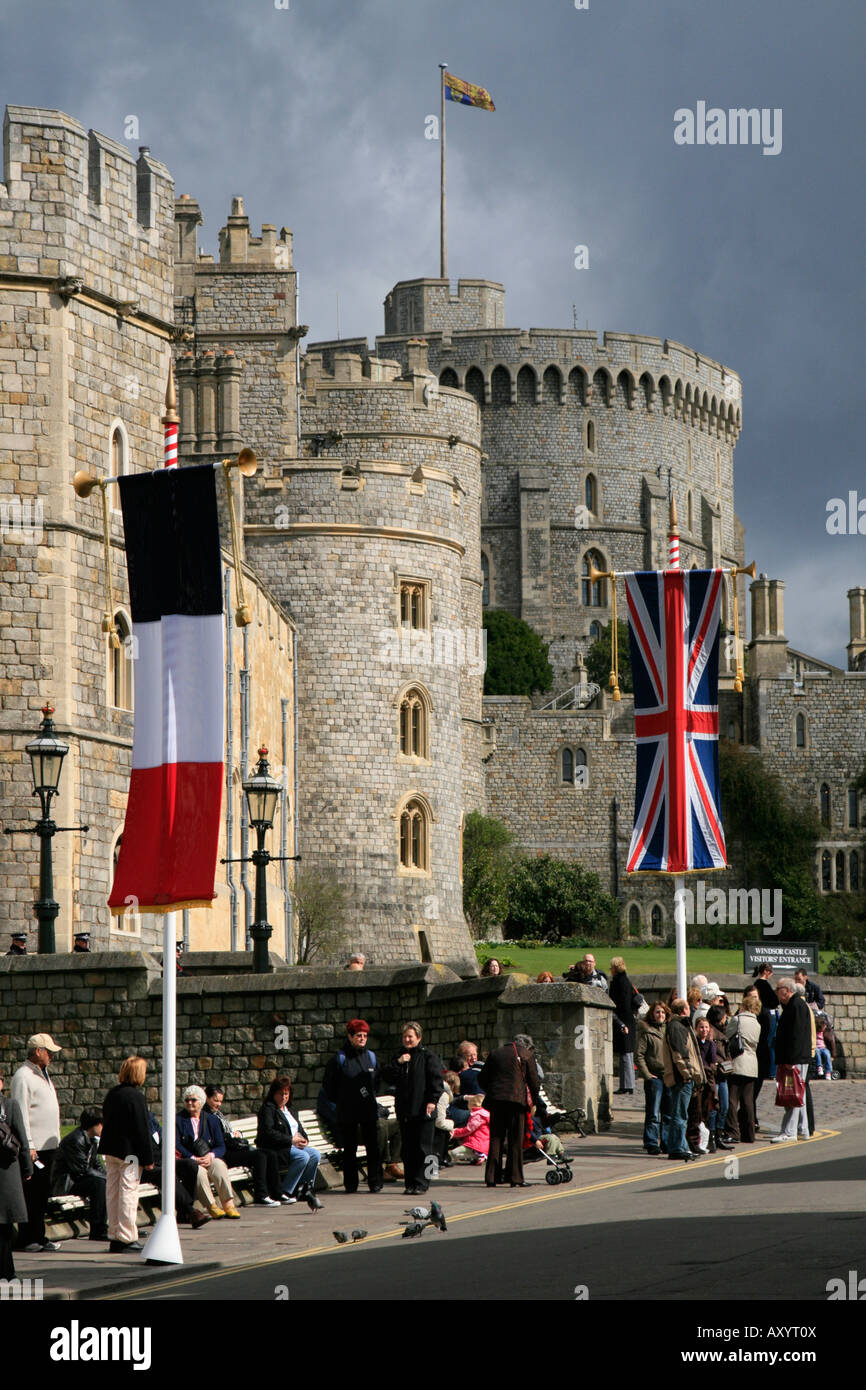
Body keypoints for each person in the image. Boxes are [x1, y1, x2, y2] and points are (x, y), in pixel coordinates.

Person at [10, 1032, 62, 1252]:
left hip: (49, 1147)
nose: (51, 1055)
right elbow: (20, 1113)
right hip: (35, 1148)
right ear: (38, 1051)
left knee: (42, 1195)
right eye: (48, 1051)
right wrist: (28, 1144)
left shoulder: (43, 1073)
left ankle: (39, 1236)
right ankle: (27, 1238)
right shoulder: (23, 1076)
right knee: (31, 1194)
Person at [321, 1019, 383, 1194]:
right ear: (350, 1036)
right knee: (349, 1149)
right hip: (347, 1111)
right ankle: (351, 1184)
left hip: (369, 1110)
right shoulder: (339, 1059)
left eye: (364, 1036)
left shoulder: (371, 1057)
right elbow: (329, 1086)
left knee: (373, 1146)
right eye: (358, 1036)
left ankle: (375, 1182)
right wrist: (342, 1100)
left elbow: (376, 1082)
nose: (362, 1039)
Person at [100, 1056, 155, 1252]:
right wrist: (148, 1158)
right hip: (130, 1153)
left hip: (111, 1149)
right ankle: (126, 1237)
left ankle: (114, 1235)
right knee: (128, 1193)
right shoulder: (136, 1097)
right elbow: (142, 1129)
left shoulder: (113, 1094)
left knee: (113, 1193)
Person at [382, 1023, 444, 1196]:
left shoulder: (428, 1057)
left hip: (424, 1109)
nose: (407, 1040)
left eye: (410, 1036)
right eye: (405, 1037)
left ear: (419, 1037)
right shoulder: (400, 1057)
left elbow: (436, 1081)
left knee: (424, 1148)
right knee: (408, 1149)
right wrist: (399, 1062)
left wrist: (432, 1100)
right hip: (406, 1110)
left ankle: (423, 1183)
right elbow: (387, 1076)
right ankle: (410, 1183)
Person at [478, 1033, 540, 1188]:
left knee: (496, 1138)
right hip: (516, 1102)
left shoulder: (495, 1053)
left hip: (496, 1101)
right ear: (526, 1045)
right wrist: (535, 1100)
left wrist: (493, 1090)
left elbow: (482, 1078)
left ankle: (492, 1177)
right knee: (515, 1139)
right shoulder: (526, 1054)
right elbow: (534, 1081)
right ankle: (515, 1178)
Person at [204, 1083, 282, 1206]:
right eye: (215, 1100)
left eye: (220, 1101)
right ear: (207, 1098)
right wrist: (230, 1136)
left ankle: (277, 1192)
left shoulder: (217, 1113)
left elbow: (226, 1131)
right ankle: (261, 1195)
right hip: (223, 1153)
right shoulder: (206, 1115)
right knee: (259, 1156)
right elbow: (214, 1137)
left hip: (232, 1148)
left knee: (270, 1154)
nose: (218, 1104)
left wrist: (236, 1134)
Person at [257, 1075, 323, 1209]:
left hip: (293, 1145)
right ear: (274, 1093)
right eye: (280, 1094)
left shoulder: (291, 1109)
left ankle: (304, 1188)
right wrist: (291, 1140)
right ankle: (286, 1190)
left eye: (286, 1094)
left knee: (315, 1154)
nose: (283, 1097)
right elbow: (268, 1132)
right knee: (302, 1156)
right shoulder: (268, 1109)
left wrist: (304, 1140)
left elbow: (300, 1129)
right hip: (278, 1147)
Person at [176, 1085, 239, 1219]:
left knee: (219, 1166)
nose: (190, 1103)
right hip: (190, 1160)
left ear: (201, 1101)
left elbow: (221, 1145)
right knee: (199, 1173)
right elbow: (177, 1145)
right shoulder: (178, 1120)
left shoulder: (212, 1120)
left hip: (208, 1156)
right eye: (187, 1100)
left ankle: (229, 1205)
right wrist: (192, 1157)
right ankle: (212, 1206)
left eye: (193, 1100)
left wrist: (211, 1156)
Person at [54, 1106, 107, 1241]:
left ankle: (107, 1226)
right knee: (99, 1184)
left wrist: (109, 1177)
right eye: (101, 1124)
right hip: (67, 1183)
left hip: (79, 1179)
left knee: (103, 1182)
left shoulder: (92, 1140)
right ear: (92, 1124)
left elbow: (96, 1165)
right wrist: (105, 1178)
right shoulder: (76, 1140)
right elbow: (82, 1170)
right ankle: (98, 1230)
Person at [771, 977, 814, 1143]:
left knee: (792, 1094)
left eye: (778, 988)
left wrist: (790, 1059)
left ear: (787, 990)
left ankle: (790, 1131)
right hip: (797, 1057)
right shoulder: (795, 1005)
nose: (776, 991)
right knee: (798, 1094)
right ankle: (803, 1129)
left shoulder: (796, 1006)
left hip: (794, 1059)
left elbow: (795, 1036)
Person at [0, 1068, 33, 1280]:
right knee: (4, 1228)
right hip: (6, 1171)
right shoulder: (10, 1106)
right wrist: (27, 1168)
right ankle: (7, 1273)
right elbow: (21, 1137)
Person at [662, 999, 703, 1162]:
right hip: (682, 1079)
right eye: (688, 1007)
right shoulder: (677, 1027)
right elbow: (680, 1055)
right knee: (680, 1115)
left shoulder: (678, 1025)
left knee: (680, 1114)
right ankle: (677, 1148)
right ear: (684, 1010)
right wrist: (688, 1075)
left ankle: (680, 1147)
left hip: (683, 1077)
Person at [724, 996, 761, 1144]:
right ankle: (749, 1133)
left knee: (732, 1099)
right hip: (752, 1064)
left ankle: (733, 1131)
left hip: (738, 1062)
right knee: (748, 1101)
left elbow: (727, 1036)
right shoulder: (757, 1023)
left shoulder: (737, 1020)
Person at [636, 1000, 668, 1154]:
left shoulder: (669, 1031)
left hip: (668, 1077)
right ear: (652, 1014)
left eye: (662, 1012)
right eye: (657, 1012)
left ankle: (667, 1142)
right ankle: (651, 1142)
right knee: (653, 1113)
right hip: (655, 1078)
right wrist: (648, 1075)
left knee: (668, 1112)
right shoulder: (646, 1032)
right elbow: (639, 1055)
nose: (660, 1015)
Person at [705, 1004, 734, 1149]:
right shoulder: (712, 1033)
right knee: (715, 1107)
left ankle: (718, 1134)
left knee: (724, 1106)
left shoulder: (722, 1032)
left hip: (723, 1074)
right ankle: (712, 1136)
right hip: (715, 1074)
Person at [609, 957, 637, 1094]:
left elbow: (620, 1003)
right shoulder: (626, 981)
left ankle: (627, 1085)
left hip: (623, 1020)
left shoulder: (618, 982)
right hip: (629, 1019)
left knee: (625, 1054)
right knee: (627, 1054)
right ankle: (628, 1084)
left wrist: (620, 1023)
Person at [693, 1018, 717, 1152]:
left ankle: (709, 1139)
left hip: (708, 1081)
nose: (704, 1030)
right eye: (701, 1027)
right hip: (698, 1081)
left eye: (706, 1027)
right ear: (696, 1028)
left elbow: (713, 1064)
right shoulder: (695, 1043)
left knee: (709, 1109)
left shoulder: (711, 1044)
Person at [449, 1093, 490, 1165]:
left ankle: (478, 1156)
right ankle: (478, 1156)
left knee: (453, 1153)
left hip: (476, 1144)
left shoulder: (478, 1116)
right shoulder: (486, 1114)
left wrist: (455, 1132)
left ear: (472, 1104)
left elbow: (468, 1130)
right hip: (483, 1143)